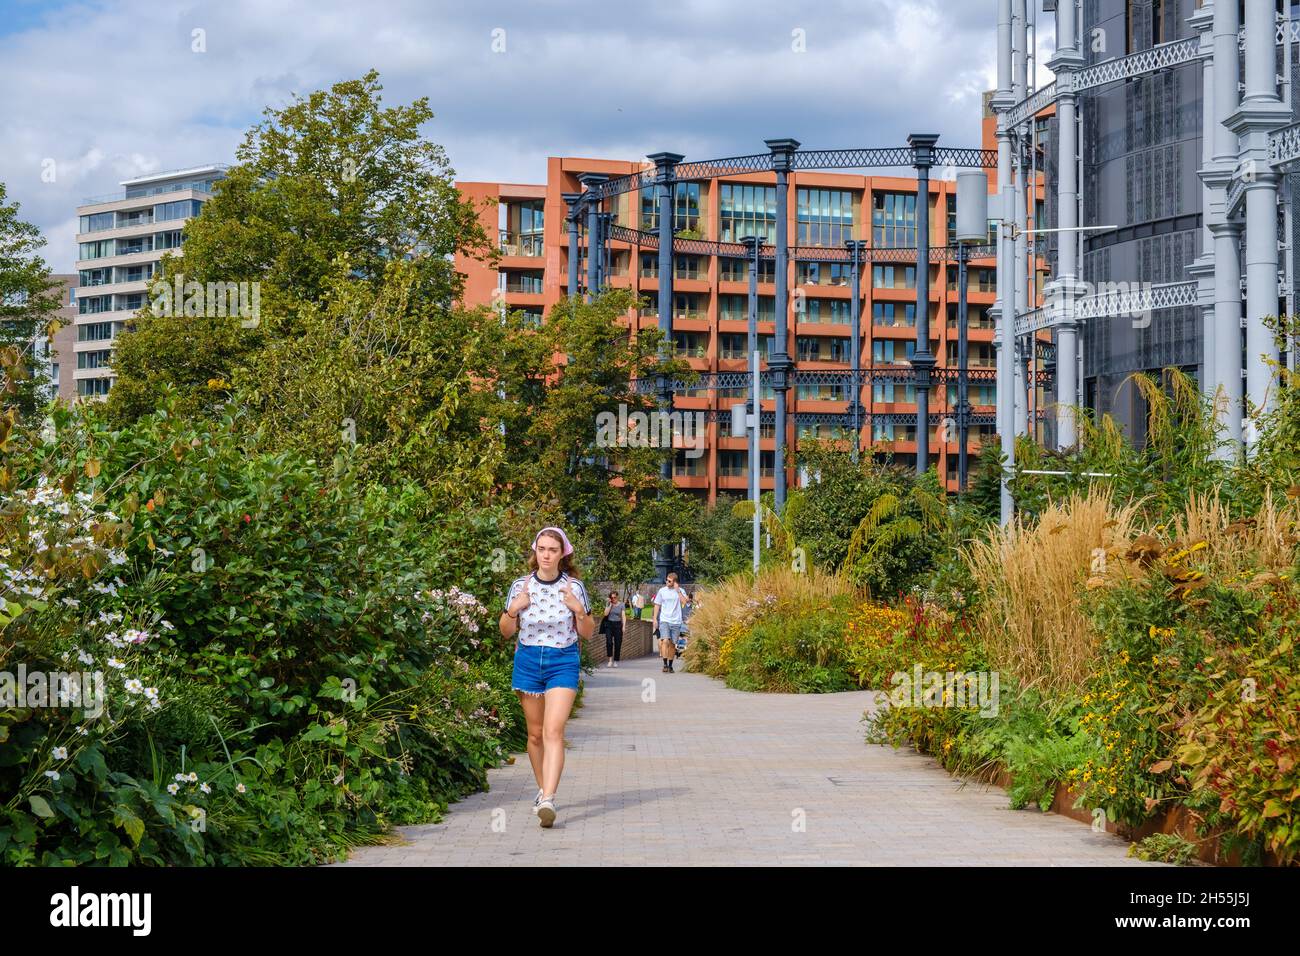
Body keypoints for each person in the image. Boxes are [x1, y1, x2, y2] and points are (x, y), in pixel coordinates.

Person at [499, 527, 594, 828]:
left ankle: (549, 798)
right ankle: (543, 792)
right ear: (535, 551)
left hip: (562, 661)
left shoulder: (574, 588)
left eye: (553, 549)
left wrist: (579, 611)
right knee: (535, 735)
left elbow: (589, 633)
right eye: (542, 549)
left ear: (562, 553)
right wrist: (513, 609)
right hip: (528, 661)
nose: (547, 555)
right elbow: (505, 631)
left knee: (554, 731)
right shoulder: (520, 586)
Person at [652, 572, 690, 674]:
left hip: (676, 621)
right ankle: (664, 664)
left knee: (673, 644)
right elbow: (657, 605)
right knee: (665, 641)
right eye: (666, 580)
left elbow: (685, 602)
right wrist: (655, 619)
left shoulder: (680, 591)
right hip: (664, 620)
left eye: (669, 581)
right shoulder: (662, 591)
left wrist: (678, 591)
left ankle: (670, 665)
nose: (666, 582)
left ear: (674, 582)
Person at [602, 591, 625, 668]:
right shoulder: (609, 604)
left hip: (618, 625)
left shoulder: (622, 605)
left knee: (618, 643)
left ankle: (615, 661)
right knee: (609, 642)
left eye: (614, 597)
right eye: (611, 598)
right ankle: (610, 660)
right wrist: (610, 605)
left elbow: (623, 616)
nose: (613, 599)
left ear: (617, 597)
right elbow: (605, 614)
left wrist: (624, 626)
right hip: (609, 624)